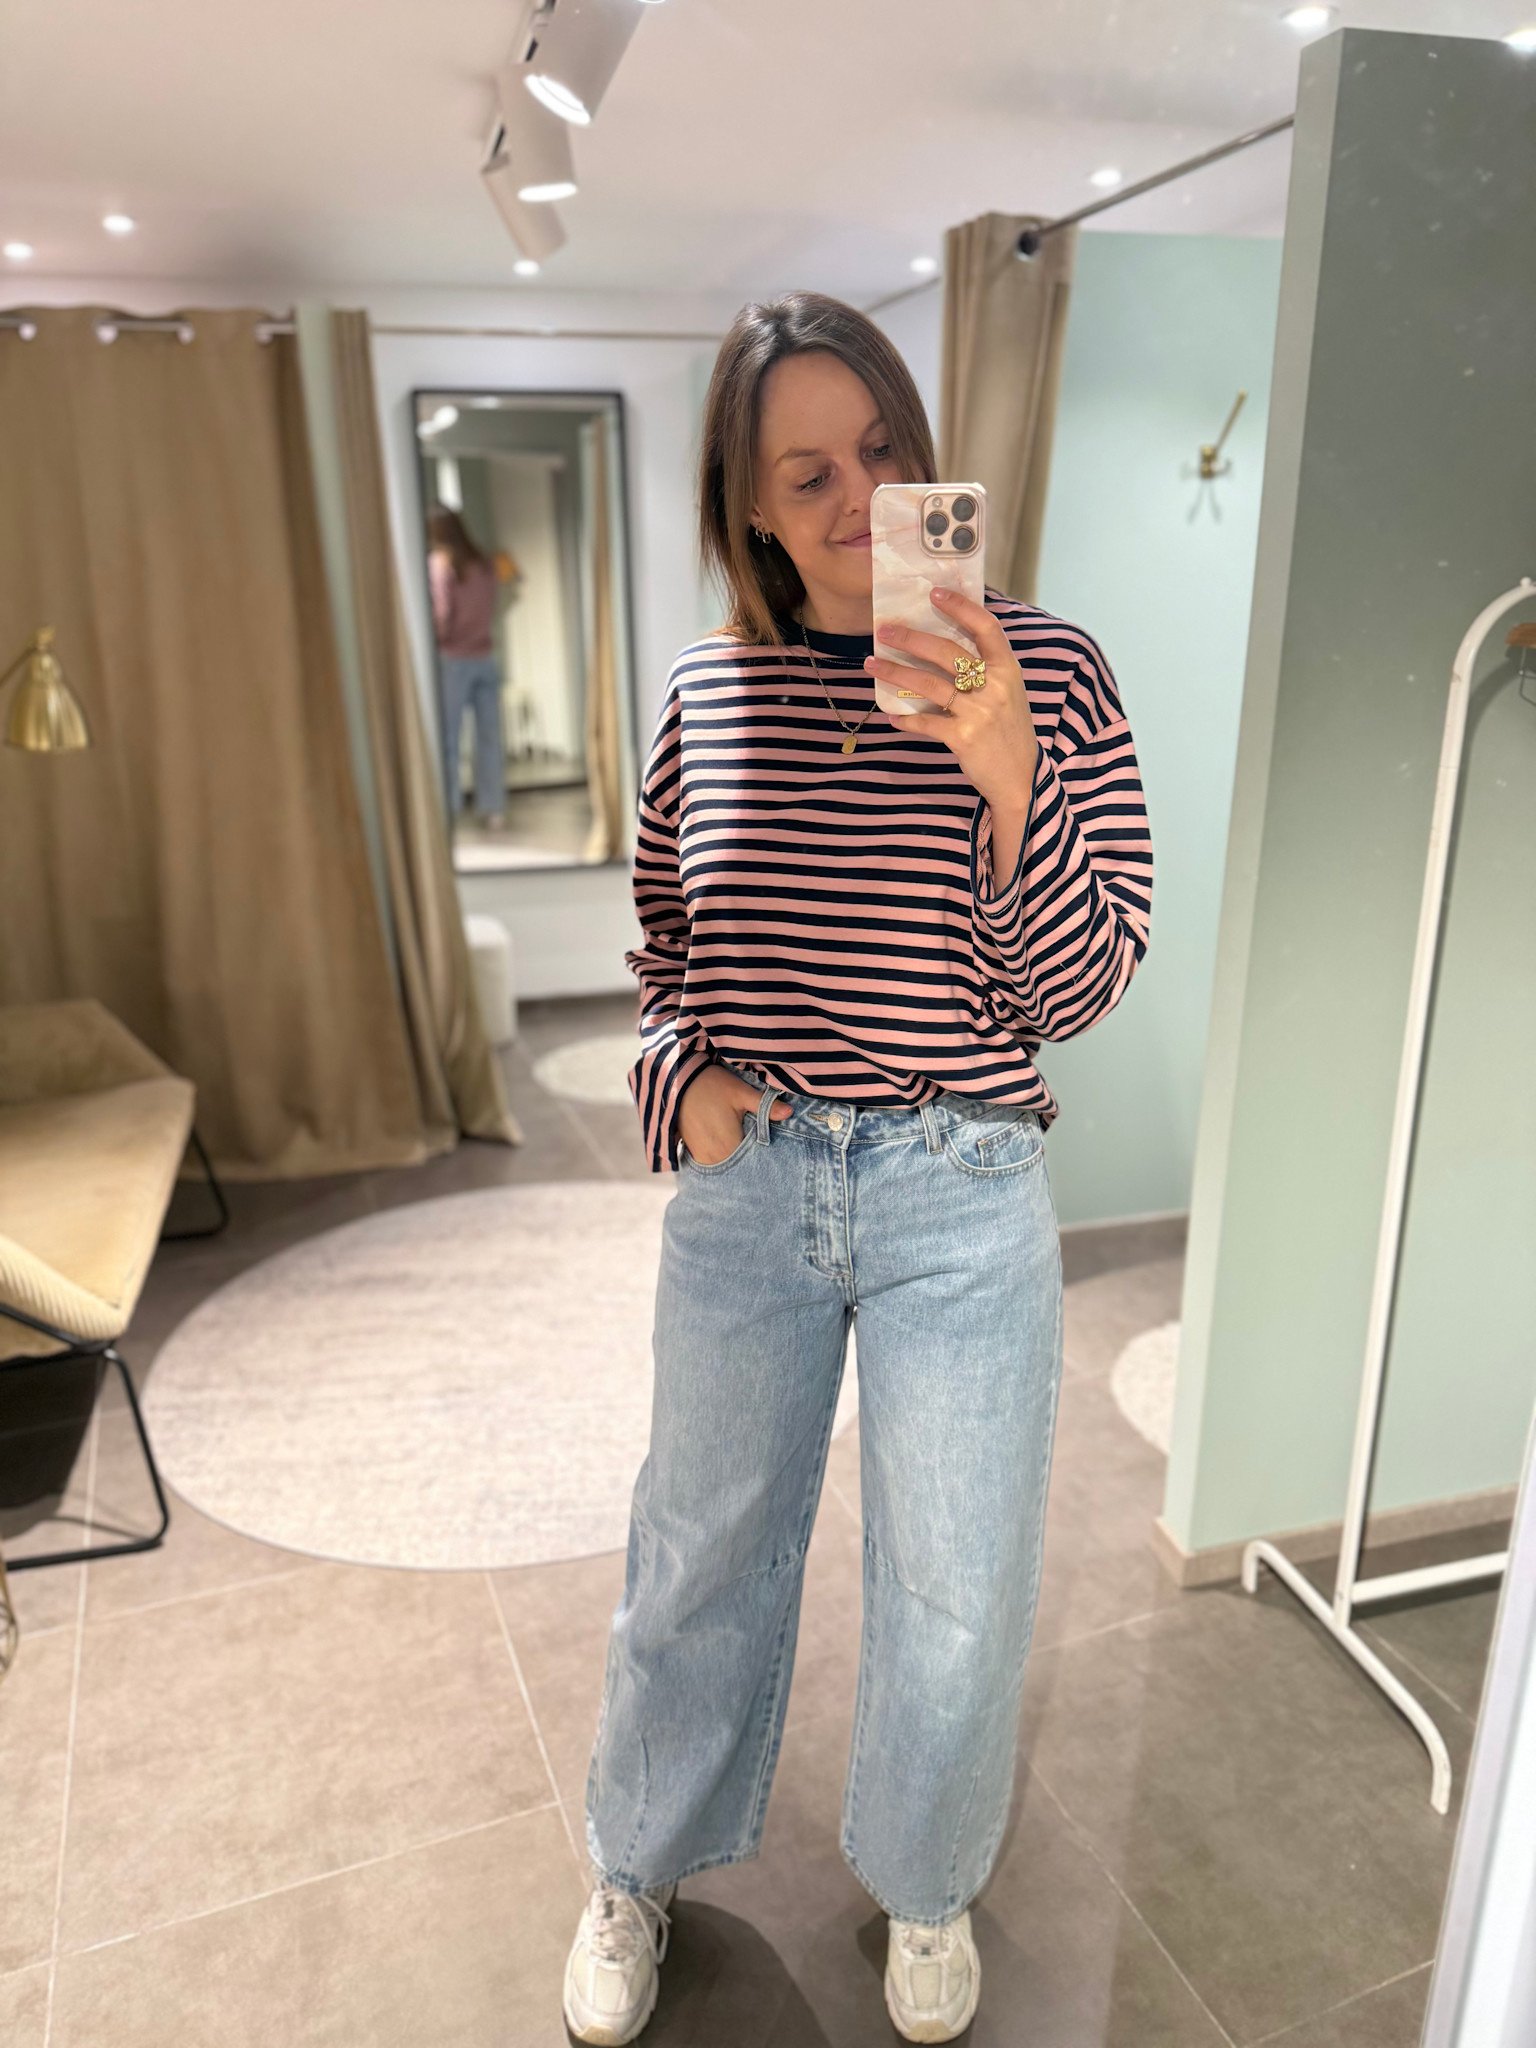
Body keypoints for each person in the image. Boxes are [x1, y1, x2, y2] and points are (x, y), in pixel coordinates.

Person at [562, 290, 1153, 2045]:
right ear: (745, 500)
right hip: (752, 1190)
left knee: (956, 1584)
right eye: (806, 470)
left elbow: (1080, 987)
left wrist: (1004, 769)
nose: (855, 498)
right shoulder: (706, 686)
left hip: (959, 1188)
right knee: (696, 1545)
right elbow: (663, 944)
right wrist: (684, 1079)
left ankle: (929, 1880)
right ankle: (633, 1862)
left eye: (884, 451)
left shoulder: (1047, 668)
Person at [426, 505, 507, 828]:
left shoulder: (440, 564)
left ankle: (451, 808)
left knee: (449, 737)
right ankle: (493, 809)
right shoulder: (483, 563)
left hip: (454, 660)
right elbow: (492, 605)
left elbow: (443, 613)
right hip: (485, 656)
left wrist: (436, 639)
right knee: (489, 738)